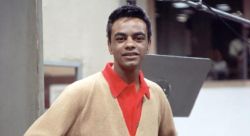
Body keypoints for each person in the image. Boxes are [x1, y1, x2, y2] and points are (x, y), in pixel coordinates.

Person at [24, 5, 177, 136]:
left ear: (148, 44)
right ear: (109, 45)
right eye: (121, 38)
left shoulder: (157, 95)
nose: (130, 44)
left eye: (138, 38)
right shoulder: (80, 92)